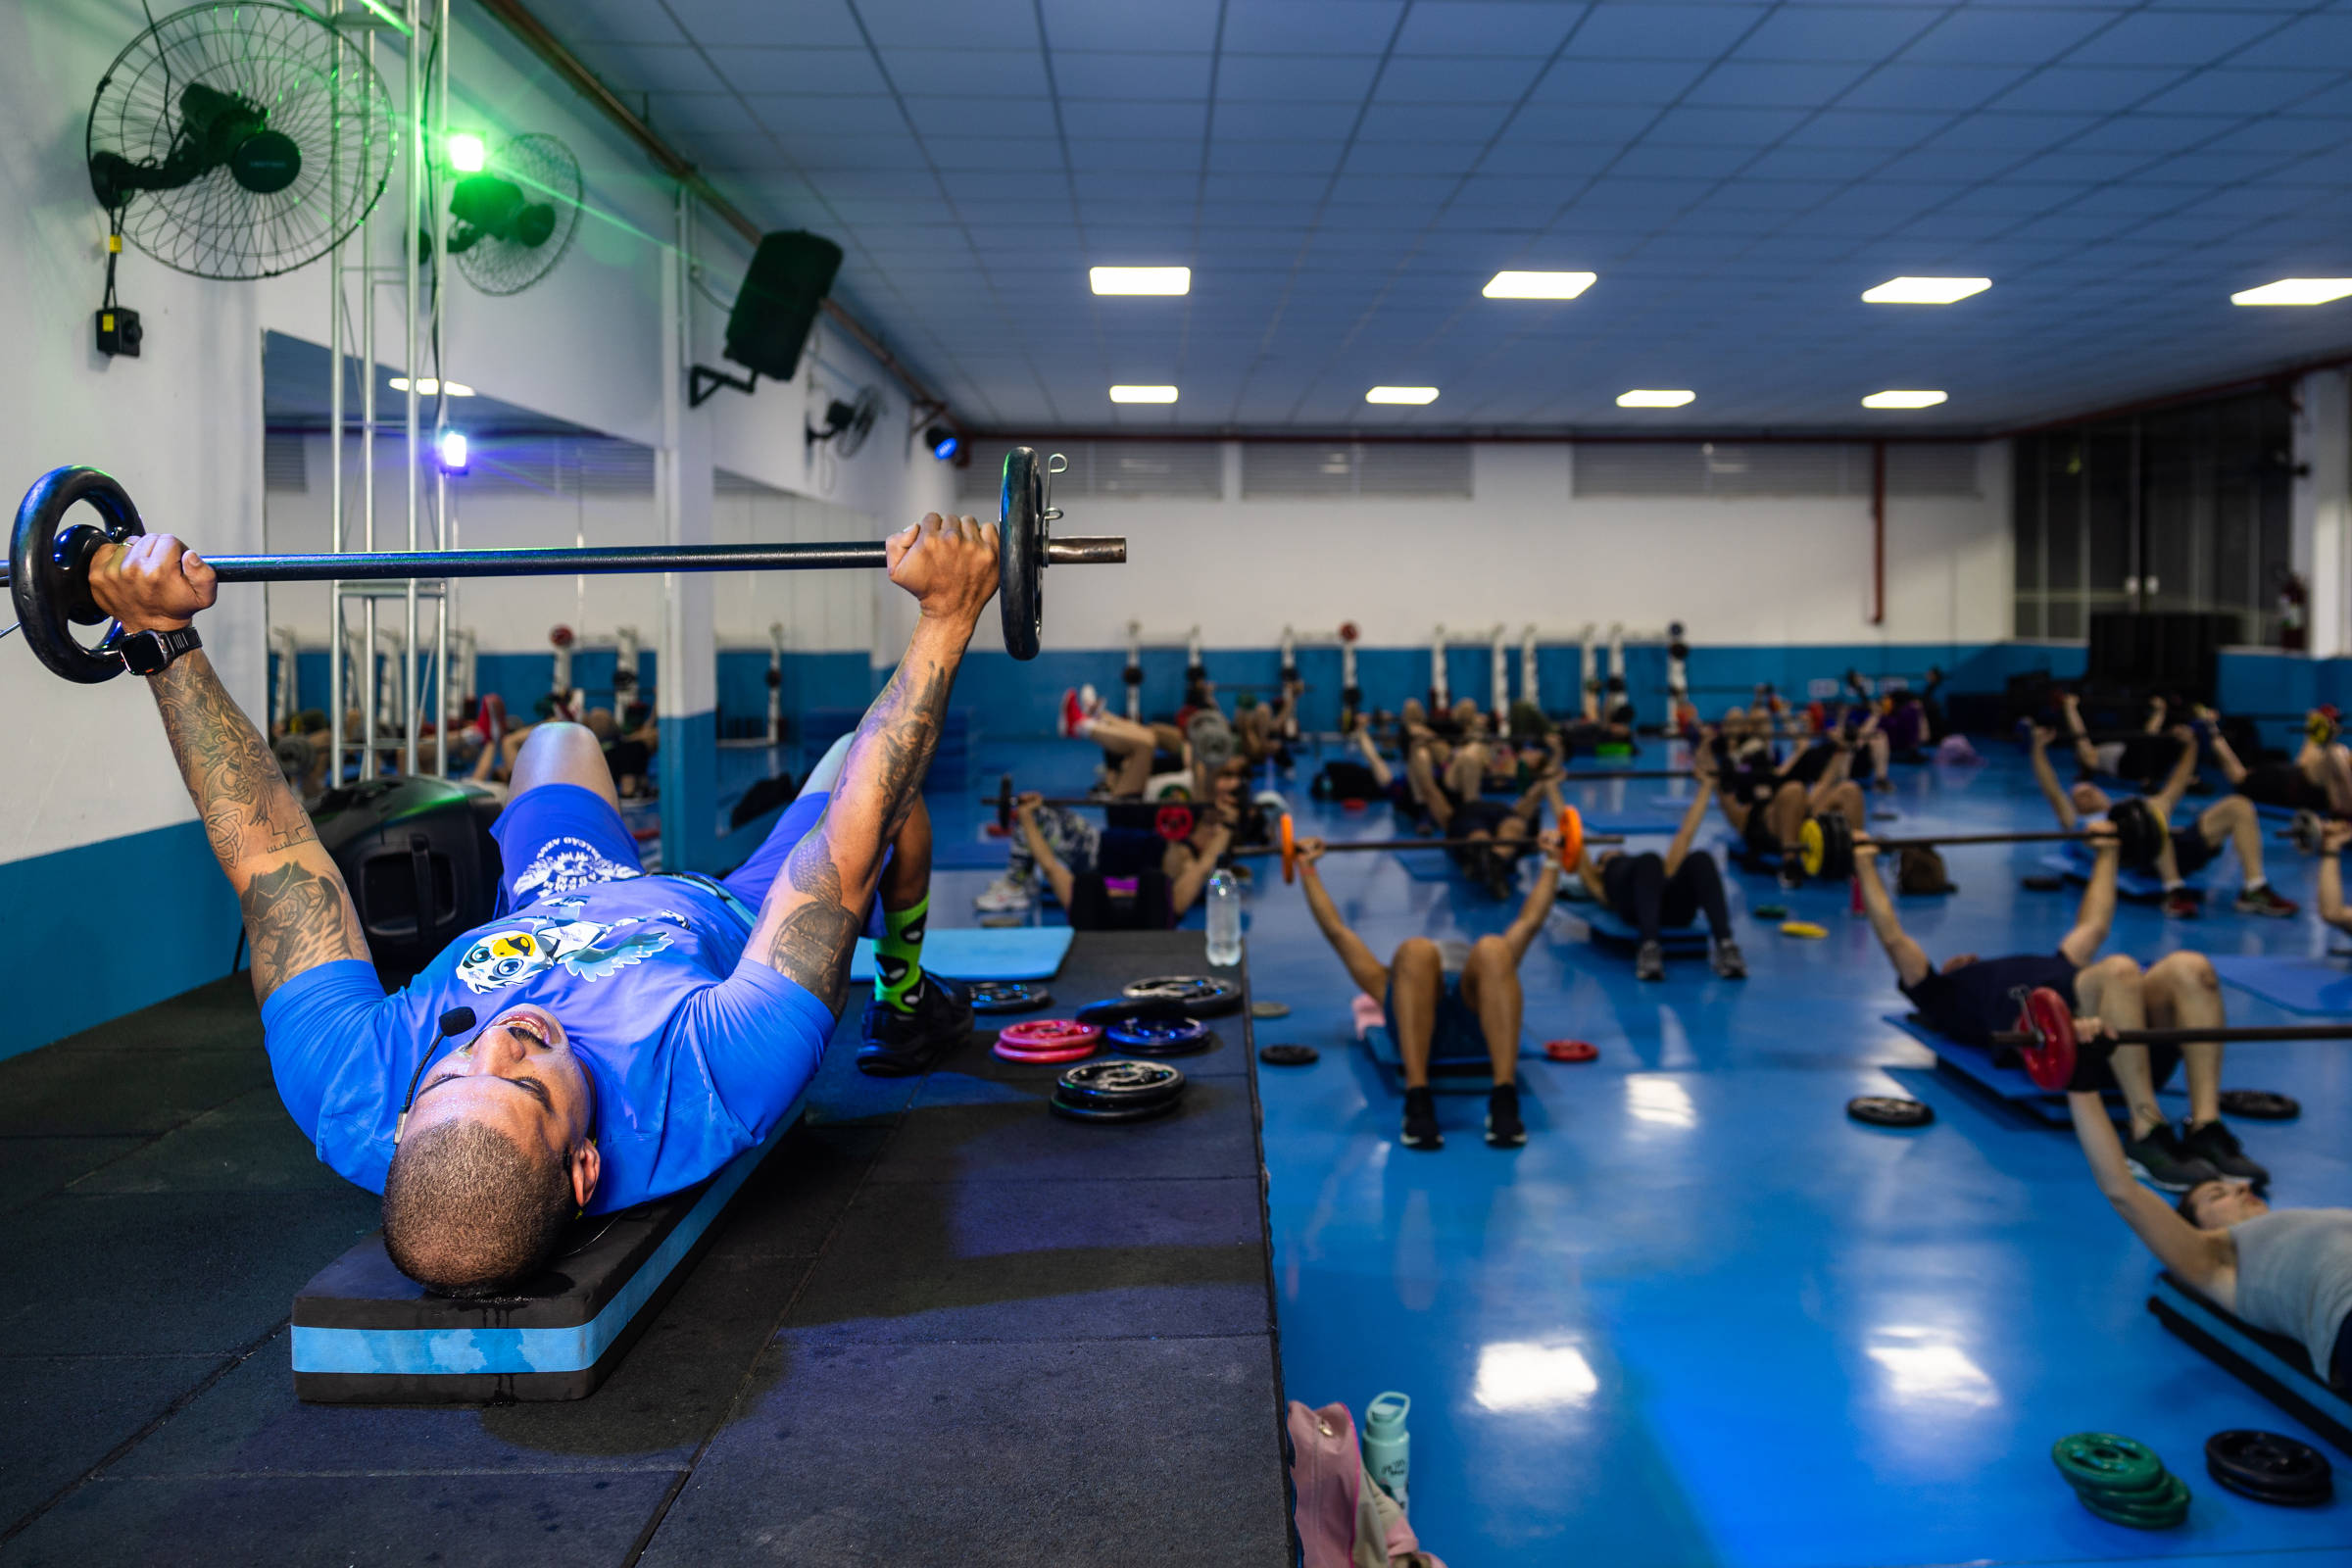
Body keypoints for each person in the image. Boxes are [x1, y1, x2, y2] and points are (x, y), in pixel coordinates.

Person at [88, 512, 998, 1297]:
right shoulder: (710, 1085)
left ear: (404, 1125)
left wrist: (164, 644)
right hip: (721, 916)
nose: (501, 1036)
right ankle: (909, 997)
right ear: (585, 1168)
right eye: (527, 1083)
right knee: (875, 793)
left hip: (554, 899)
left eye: (449, 1074)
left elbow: (271, 856)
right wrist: (947, 618)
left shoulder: (350, 1090)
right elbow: (843, 852)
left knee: (558, 737)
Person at [1852, 825, 2267, 1192]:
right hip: (2074, 1041)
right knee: (2120, 970)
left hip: (2126, 1024)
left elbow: (2094, 924)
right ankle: (2146, 1130)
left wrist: (2107, 852)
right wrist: (1865, 863)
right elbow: (1892, 936)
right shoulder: (1939, 993)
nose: (1963, 957)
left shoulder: (2055, 963)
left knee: (2191, 968)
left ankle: (2205, 1126)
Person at [2062, 1036, 2352, 1391]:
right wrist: (2081, 1081)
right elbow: (2122, 1190)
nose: (2241, 1187)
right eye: (2218, 1195)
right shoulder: (2218, 1261)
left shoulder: (2309, 1222)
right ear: (2197, 1226)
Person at [1292, 831, 1563, 1151]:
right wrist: (1307, 869)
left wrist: (1553, 860)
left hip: (1475, 1020)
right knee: (1416, 950)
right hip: (1415, 1027)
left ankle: (1504, 1098)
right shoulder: (1392, 981)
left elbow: (1530, 921)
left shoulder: (1487, 974)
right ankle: (1417, 1099)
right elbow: (1337, 932)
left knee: (1492, 947)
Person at [2029, 711, 2295, 920]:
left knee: (2238, 805)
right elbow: (2051, 787)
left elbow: (2177, 783)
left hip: (2171, 846)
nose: (2084, 795)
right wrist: (2038, 747)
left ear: (2105, 795)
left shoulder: (2131, 805)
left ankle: (2254, 888)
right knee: (2150, 814)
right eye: (2078, 796)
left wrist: (2191, 745)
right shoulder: (2077, 825)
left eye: (2089, 790)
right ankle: (2173, 891)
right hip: (2135, 858)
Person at [1567, 771, 1743, 981]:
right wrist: (1551, 788)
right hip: (1633, 908)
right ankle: (1649, 947)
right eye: (1606, 854)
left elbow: (1685, 834)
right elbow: (1574, 844)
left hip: (1673, 909)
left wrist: (1706, 786)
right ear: (1599, 867)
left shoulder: (1659, 869)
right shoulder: (1600, 882)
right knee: (1649, 860)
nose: (1615, 851)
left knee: (1700, 858)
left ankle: (1725, 944)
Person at [1009, 788, 1234, 930]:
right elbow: (1203, 866)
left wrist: (1027, 818)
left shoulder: (1089, 892)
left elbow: (1049, 866)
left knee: (1089, 881)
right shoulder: (1165, 896)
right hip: (1149, 926)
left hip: (1102, 928)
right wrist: (1227, 826)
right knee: (1153, 879)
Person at [1703, 720, 1868, 889]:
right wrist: (1705, 747)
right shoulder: (1730, 771)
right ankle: (1789, 865)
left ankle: (1859, 860)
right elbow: (1727, 802)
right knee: (1793, 790)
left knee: (1850, 790)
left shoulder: (1774, 766)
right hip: (1765, 822)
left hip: (1800, 811)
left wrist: (1842, 749)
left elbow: (1822, 783)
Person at [2206, 705, 2352, 816]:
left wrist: (2212, 728)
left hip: (2301, 778)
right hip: (2302, 783)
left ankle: (2315, 728)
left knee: (2330, 755)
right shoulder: (2254, 781)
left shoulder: (2294, 772)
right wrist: (2211, 728)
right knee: (2335, 754)